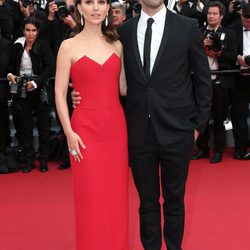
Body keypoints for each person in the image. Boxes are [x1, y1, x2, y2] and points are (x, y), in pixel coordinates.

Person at [72, 0, 212, 249]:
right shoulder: (122, 32)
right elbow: (111, 77)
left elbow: (203, 80)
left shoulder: (187, 27)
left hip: (178, 131)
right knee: (146, 202)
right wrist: (81, 93)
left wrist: (197, 127)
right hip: (138, 132)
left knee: (174, 200)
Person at [54, 0, 128, 249]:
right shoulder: (68, 46)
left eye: (101, 2)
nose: (96, 8)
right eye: (89, 2)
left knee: (115, 197)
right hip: (83, 131)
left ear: (108, 8)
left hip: (116, 130)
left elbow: (124, 88)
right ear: (80, 8)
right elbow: (59, 93)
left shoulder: (117, 45)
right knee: (90, 198)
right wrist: (69, 132)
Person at [7, 17, 55, 173]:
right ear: (23, 30)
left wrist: (36, 82)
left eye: (33, 30)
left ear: (38, 31)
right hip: (22, 88)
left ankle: (43, 160)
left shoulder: (43, 45)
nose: (30, 34)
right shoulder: (17, 45)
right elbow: (9, 66)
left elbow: (51, 67)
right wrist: (10, 75)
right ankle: (28, 160)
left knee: (43, 126)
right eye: (27, 30)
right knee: (26, 126)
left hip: (40, 88)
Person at [192, 1, 237, 163]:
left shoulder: (230, 34)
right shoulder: (198, 32)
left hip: (221, 82)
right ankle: (202, 149)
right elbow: (189, 54)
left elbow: (233, 58)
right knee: (201, 118)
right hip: (201, 82)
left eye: (214, 14)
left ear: (222, 16)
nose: (211, 16)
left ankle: (218, 150)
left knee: (219, 119)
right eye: (209, 13)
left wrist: (219, 51)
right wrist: (200, 45)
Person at [229, 2, 250, 160]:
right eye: (246, 19)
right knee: (238, 115)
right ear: (241, 16)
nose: (248, 23)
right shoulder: (233, 29)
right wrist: (237, 59)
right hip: (239, 78)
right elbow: (228, 52)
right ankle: (241, 148)